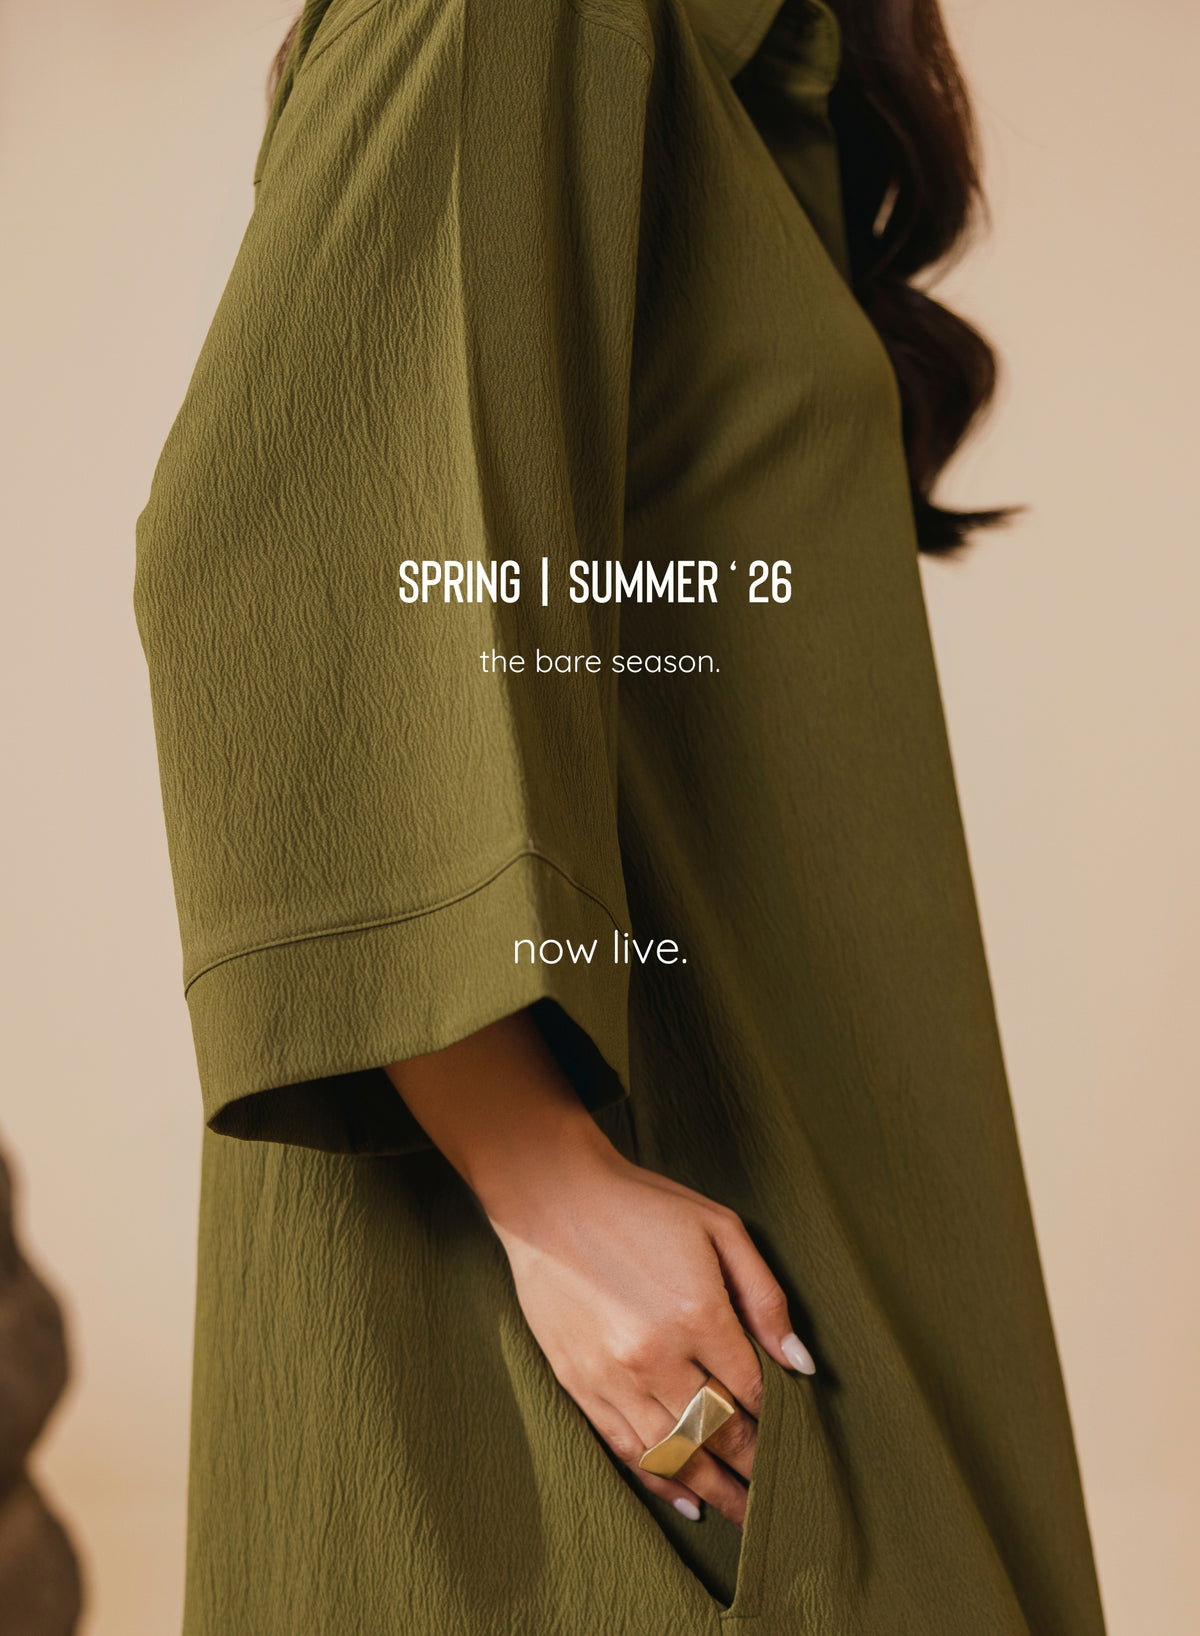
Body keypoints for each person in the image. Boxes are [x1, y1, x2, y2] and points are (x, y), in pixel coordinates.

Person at [133, 0, 1110, 1628]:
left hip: (813, 1231)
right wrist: (544, 1181)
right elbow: (284, 554)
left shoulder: (749, 70)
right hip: (629, 1329)